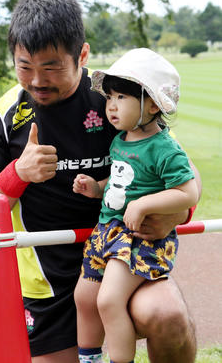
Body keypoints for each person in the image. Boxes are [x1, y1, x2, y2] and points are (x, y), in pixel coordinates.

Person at [0, 0, 201, 363]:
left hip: (125, 255)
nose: (37, 80)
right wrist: (18, 174)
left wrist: (174, 213)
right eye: (24, 67)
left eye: (52, 67)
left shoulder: (117, 97)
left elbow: (184, 176)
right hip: (48, 281)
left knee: (168, 315)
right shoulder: (3, 115)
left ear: (83, 55)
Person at [71, 48, 198, 363]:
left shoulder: (164, 149)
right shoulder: (122, 140)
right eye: (110, 97)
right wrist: (96, 189)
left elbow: (187, 193)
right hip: (107, 234)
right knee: (84, 297)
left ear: (153, 104)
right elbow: (120, 185)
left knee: (109, 300)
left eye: (122, 98)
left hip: (138, 240)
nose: (111, 106)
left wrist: (145, 205)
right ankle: (88, 358)